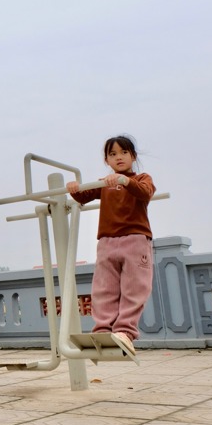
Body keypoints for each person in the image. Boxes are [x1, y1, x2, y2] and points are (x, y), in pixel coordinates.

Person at [67, 134, 156, 359]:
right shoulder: (104, 183)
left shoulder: (142, 178)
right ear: (106, 160)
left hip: (135, 239)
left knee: (134, 287)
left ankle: (125, 330)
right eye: (113, 154)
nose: (119, 158)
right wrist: (74, 188)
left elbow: (145, 192)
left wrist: (125, 181)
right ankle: (103, 329)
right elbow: (83, 197)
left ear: (133, 156)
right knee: (104, 287)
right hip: (107, 241)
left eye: (124, 153)